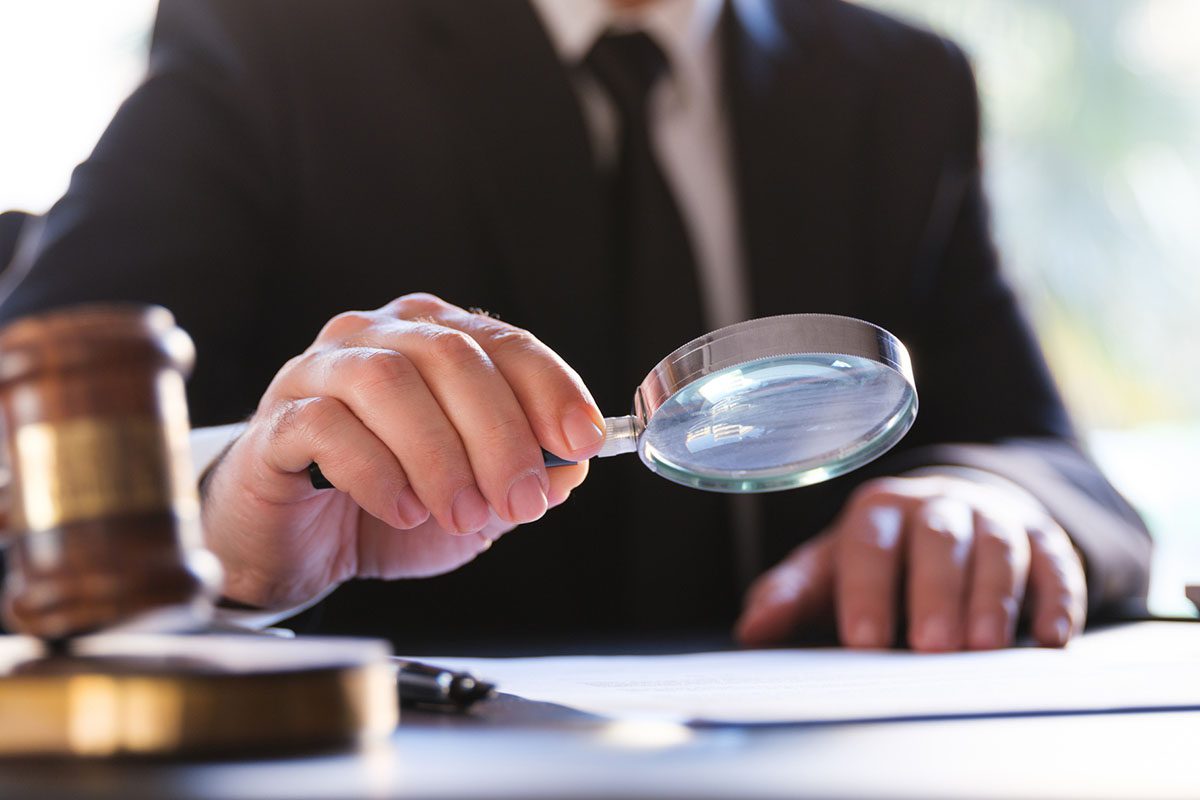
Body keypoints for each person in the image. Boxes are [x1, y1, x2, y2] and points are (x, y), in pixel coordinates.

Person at [0, 0, 1151, 653]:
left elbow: (1056, 462)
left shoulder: (902, 87)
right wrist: (230, 525)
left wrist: (992, 500)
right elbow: (30, 429)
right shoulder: (271, 38)